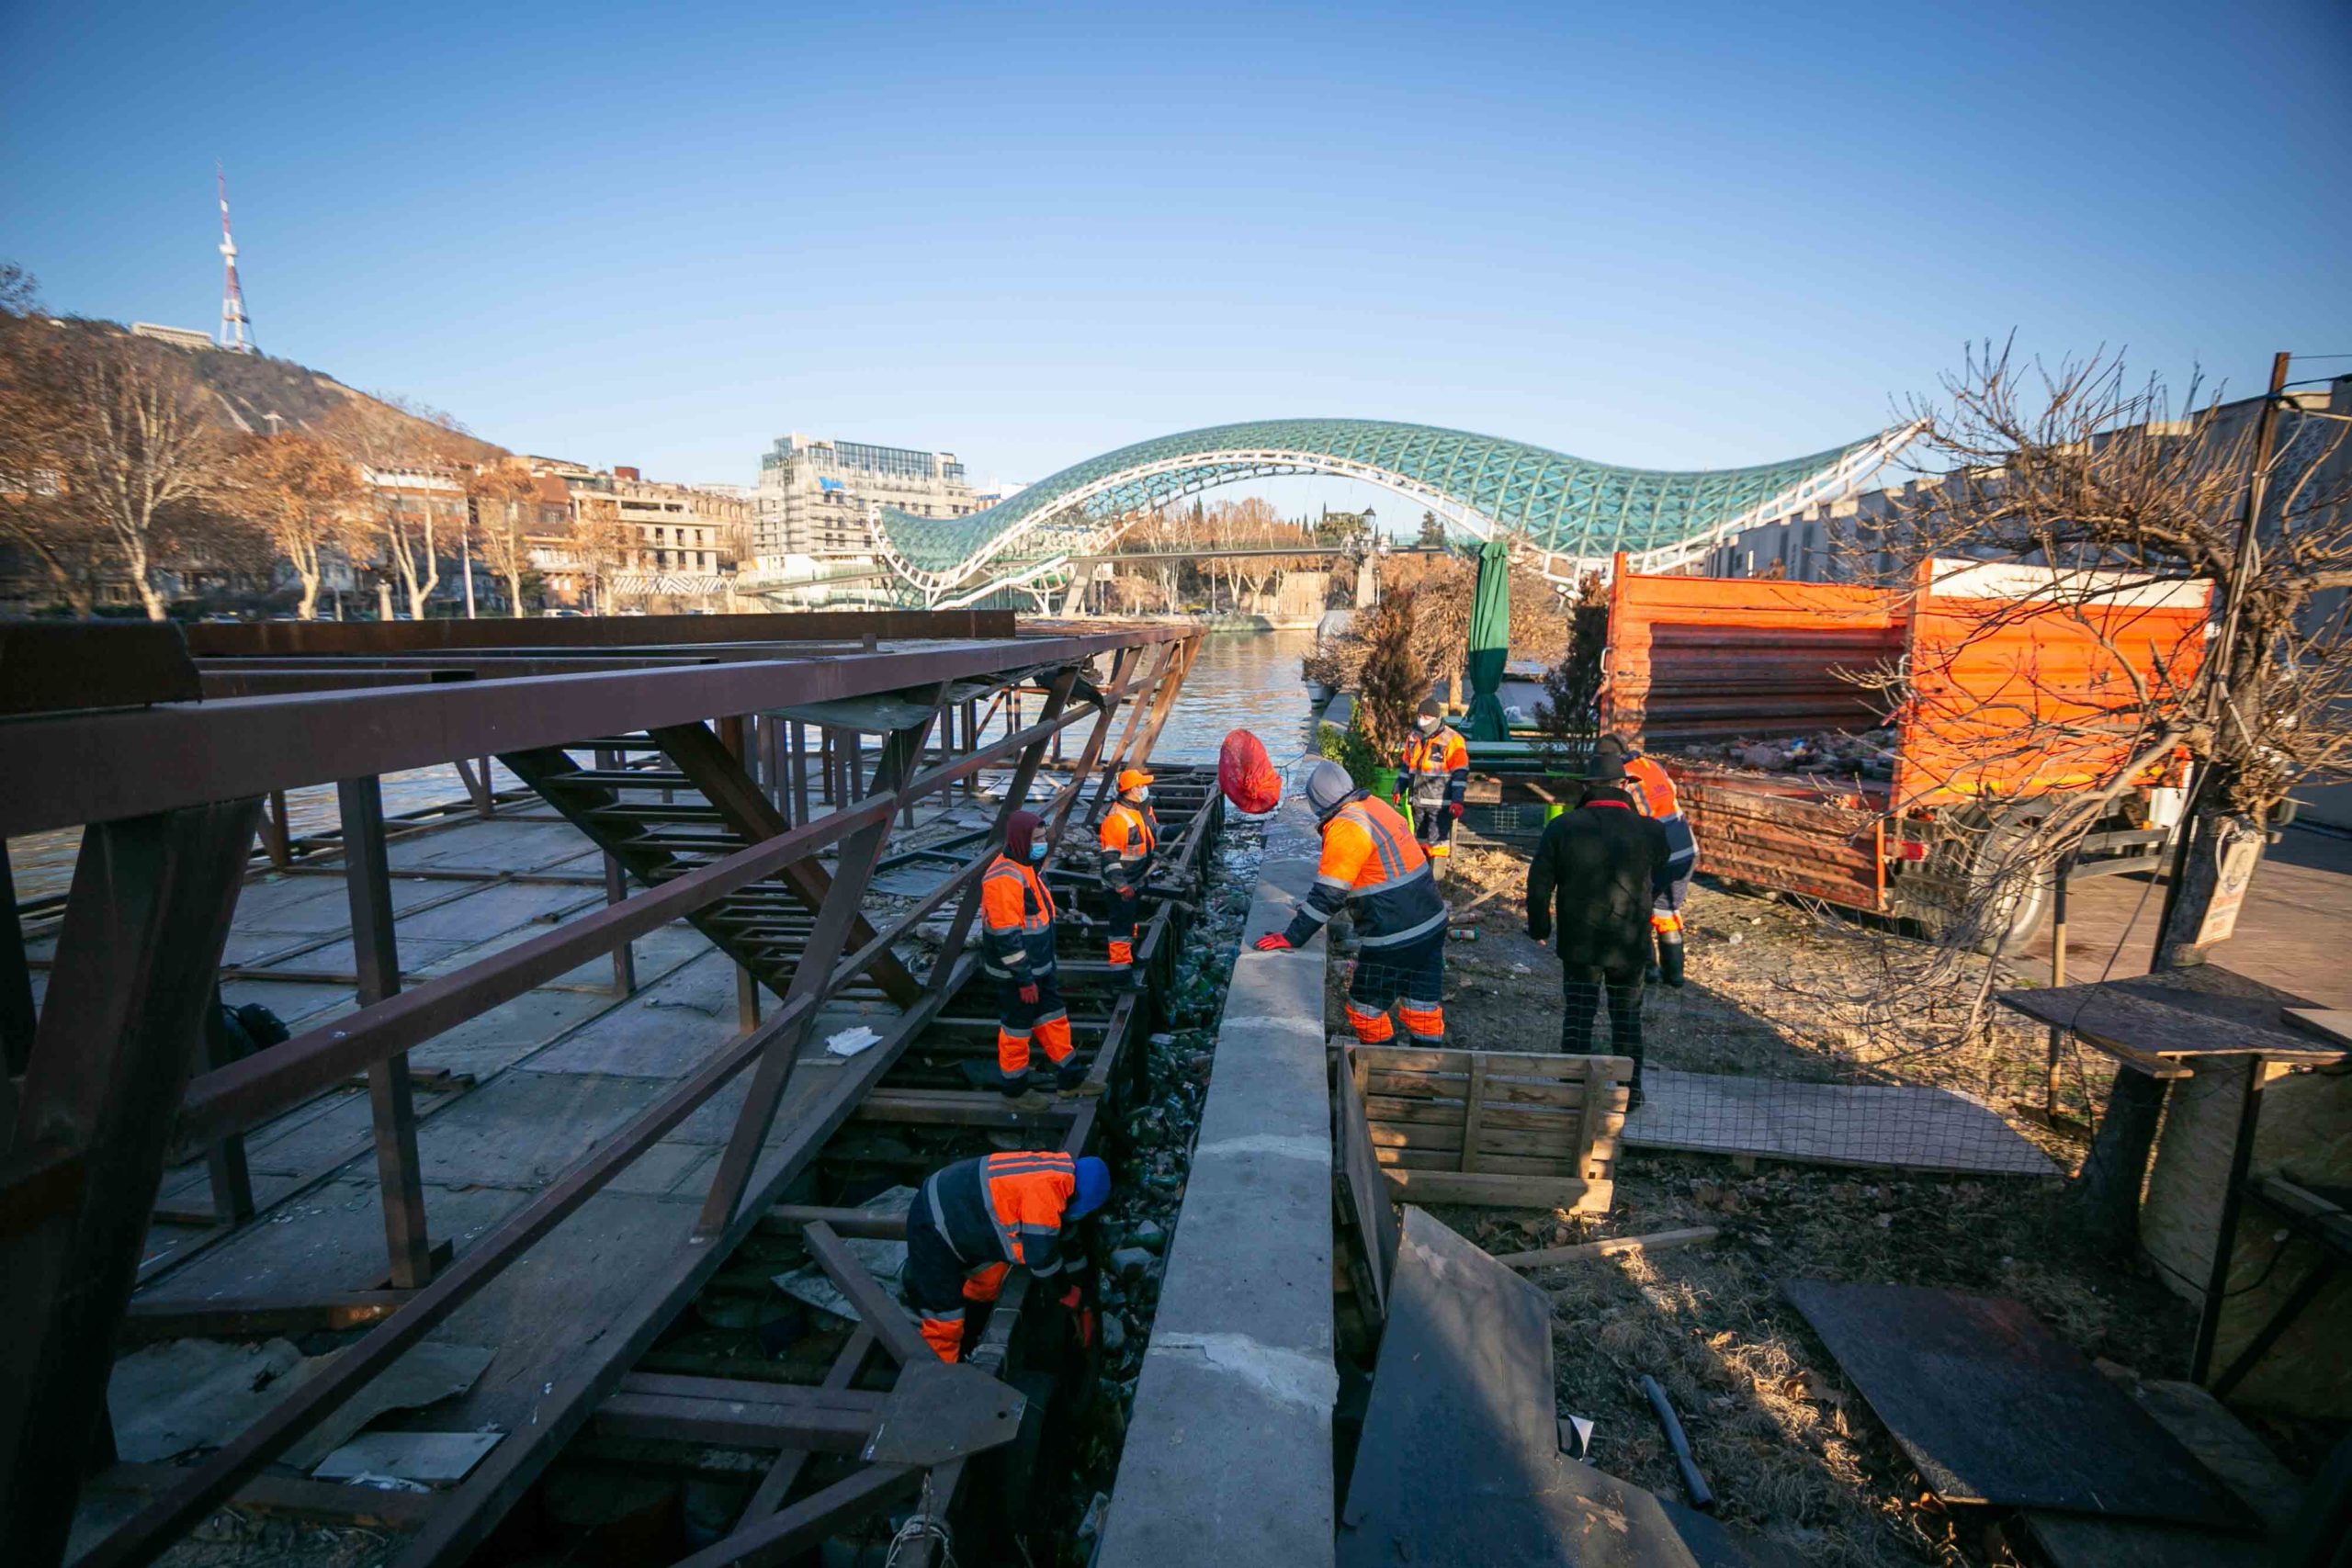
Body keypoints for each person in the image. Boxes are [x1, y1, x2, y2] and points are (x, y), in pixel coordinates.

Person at [1253, 760, 1448, 1047]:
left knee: (1365, 1013)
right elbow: (1376, 873)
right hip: (1432, 924)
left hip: (1395, 936)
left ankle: (1382, 1065)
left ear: (1317, 802)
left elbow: (1328, 895)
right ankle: (1425, 1070)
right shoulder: (1376, 806)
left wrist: (1293, 936)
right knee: (1422, 1008)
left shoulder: (1345, 827)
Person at [1526, 757, 1672, 1106]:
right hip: (1630, 942)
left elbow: (1539, 883)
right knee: (1627, 1017)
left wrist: (1539, 927)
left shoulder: (1562, 827)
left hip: (1580, 942)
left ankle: (1571, 1088)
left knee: (1578, 1015)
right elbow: (1664, 867)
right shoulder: (1650, 830)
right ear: (1624, 785)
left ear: (1587, 786)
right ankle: (1630, 1092)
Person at [904, 1150, 1110, 1363]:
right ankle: (937, 1375)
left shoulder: (1057, 1174)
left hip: (965, 1216)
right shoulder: (1046, 1192)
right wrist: (1067, 1292)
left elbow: (1065, 1241)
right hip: (934, 1226)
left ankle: (965, 1326)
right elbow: (1041, 1258)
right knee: (946, 1321)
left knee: (989, 1283)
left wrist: (1082, 1295)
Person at [981, 809, 1081, 1103]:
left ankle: (1070, 1077)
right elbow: (1007, 937)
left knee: (1053, 1017)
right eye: (1036, 839)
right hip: (1017, 974)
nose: (1042, 844)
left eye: (1043, 837)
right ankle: (1015, 1090)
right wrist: (1024, 979)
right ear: (1020, 839)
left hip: (1039, 966)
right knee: (1017, 1029)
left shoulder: (1028, 867)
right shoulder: (1003, 878)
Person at [1595, 732, 1697, 987]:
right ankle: (1674, 976)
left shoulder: (1623, 780)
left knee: (1637, 911)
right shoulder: (1652, 766)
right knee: (1666, 910)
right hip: (1685, 849)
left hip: (1657, 853)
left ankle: (1649, 971)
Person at [1097, 768, 1159, 987]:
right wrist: (1121, 886)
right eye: (1140, 786)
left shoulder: (1140, 811)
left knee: (1130, 922)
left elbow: (1153, 834)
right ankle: (1121, 973)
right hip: (1120, 885)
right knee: (1121, 928)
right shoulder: (1117, 819)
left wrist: (1180, 829)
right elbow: (1110, 859)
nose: (1144, 789)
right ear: (1129, 790)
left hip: (1136, 879)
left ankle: (1131, 956)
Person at [1398, 698, 1470, 861]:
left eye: (1426, 717)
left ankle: (1437, 873)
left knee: (1438, 844)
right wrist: (1399, 787)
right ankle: (1423, 870)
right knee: (1419, 841)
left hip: (1440, 805)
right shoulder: (1413, 737)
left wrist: (1457, 800)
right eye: (1420, 716)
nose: (1422, 721)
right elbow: (1406, 766)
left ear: (1436, 718)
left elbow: (1460, 773)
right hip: (1417, 802)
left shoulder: (1452, 740)